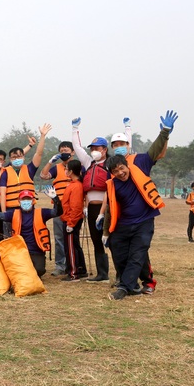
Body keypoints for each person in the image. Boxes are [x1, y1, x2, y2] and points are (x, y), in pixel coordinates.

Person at [103, 110, 177, 300]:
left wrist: (165, 132)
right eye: (115, 145)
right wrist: (105, 229)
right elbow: (111, 204)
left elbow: (155, 149)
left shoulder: (141, 161)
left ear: (128, 144)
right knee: (120, 251)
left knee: (138, 253)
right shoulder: (111, 174)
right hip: (123, 223)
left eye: (122, 143)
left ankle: (127, 287)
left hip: (144, 219)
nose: (120, 172)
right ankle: (130, 282)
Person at [0, 186, 62, 278]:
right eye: (24, 199)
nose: (26, 201)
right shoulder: (13, 213)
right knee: (17, 270)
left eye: (28, 199)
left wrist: (55, 198)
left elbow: (57, 212)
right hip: (20, 251)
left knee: (39, 270)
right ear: (19, 201)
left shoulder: (42, 213)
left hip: (37, 251)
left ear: (33, 201)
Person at [71, 117, 110, 283]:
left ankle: (121, 274)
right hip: (92, 209)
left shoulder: (110, 163)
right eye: (92, 148)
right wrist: (74, 129)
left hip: (107, 207)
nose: (94, 150)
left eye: (97, 148)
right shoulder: (88, 163)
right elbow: (77, 148)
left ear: (105, 149)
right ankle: (102, 274)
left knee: (111, 239)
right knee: (96, 240)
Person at [39, 141, 77, 276]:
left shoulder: (78, 167)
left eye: (66, 150)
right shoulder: (56, 168)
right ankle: (60, 265)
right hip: (58, 207)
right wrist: (50, 162)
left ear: (72, 152)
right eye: (62, 151)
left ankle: (74, 264)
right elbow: (43, 176)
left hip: (74, 207)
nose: (64, 153)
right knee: (59, 237)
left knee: (73, 238)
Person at [0, 124, 51, 215]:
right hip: (11, 210)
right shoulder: (5, 172)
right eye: (14, 157)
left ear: (23, 157)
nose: (17, 159)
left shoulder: (30, 169)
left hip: (29, 208)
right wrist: (4, 212)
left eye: (19, 157)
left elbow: (39, 153)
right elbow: (2, 194)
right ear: (10, 160)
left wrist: (42, 136)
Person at [60, 160, 88, 281]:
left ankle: (73, 272)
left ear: (71, 171)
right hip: (70, 218)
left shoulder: (76, 186)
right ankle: (81, 269)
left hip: (71, 219)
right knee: (75, 244)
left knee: (70, 246)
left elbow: (76, 206)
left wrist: (71, 223)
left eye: (66, 168)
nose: (65, 170)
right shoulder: (73, 184)